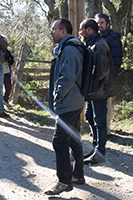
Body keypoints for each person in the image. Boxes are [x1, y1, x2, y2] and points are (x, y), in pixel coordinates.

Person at [45, 18, 85, 195]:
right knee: (74, 138)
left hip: (68, 102)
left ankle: (64, 181)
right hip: (74, 100)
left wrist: (58, 96)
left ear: (63, 31)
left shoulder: (69, 49)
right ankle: (77, 175)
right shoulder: (68, 47)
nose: (51, 32)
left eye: (54, 29)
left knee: (59, 141)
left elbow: (67, 77)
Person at [79, 19, 117, 165]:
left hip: (100, 90)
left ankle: (100, 152)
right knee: (89, 116)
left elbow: (101, 71)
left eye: (82, 29)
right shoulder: (92, 43)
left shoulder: (99, 45)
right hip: (93, 90)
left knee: (100, 121)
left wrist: (90, 82)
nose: (80, 32)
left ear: (89, 30)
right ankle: (95, 148)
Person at [95, 13, 123, 135]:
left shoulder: (113, 38)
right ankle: (98, 129)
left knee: (106, 104)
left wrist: (111, 76)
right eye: (97, 23)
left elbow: (117, 59)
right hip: (97, 77)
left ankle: (106, 130)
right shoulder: (96, 37)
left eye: (101, 23)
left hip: (108, 77)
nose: (99, 25)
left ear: (108, 24)